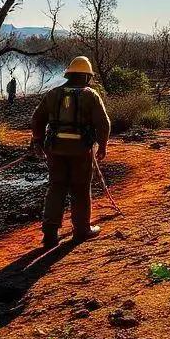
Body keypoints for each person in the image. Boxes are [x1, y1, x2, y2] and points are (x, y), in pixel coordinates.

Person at [30, 56, 111, 248]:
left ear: (69, 74)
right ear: (85, 76)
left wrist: (38, 141)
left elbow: (37, 119)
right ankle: (82, 230)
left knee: (56, 186)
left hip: (55, 150)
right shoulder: (90, 95)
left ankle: (50, 233)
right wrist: (103, 145)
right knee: (81, 189)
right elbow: (103, 123)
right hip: (81, 151)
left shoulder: (53, 94)